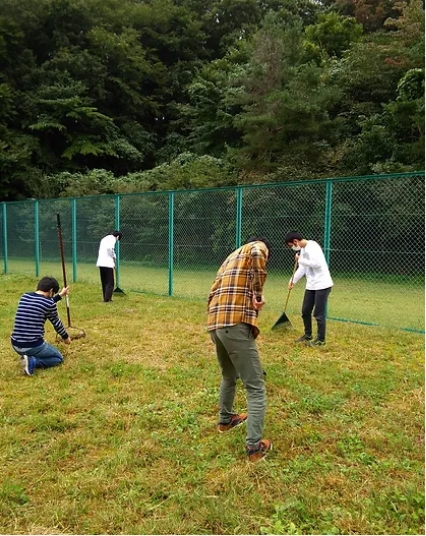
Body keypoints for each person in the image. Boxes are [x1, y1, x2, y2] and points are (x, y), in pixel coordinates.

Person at [207, 236, 273, 462]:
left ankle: (225, 421)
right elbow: (257, 252)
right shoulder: (256, 248)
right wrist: (257, 294)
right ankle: (254, 449)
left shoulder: (230, 258)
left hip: (216, 323)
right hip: (234, 324)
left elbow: (212, 290)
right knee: (255, 387)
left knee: (228, 375)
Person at [11, 276, 71, 376]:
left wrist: (60, 295)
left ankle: (26, 357)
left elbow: (44, 303)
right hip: (31, 345)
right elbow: (57, 324)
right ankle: (33, 361)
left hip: (16, 344)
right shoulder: (49, 303)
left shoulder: (25, 296)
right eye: (53, 294)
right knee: (58, 358)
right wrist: (66, 338)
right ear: (51, 291)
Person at [284, 231, 333, 346]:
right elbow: (302, 269)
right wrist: (292, 281)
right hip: (311, 285)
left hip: (322, 285)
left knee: (318, 314)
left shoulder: (313, 247)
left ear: (295, 241)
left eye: (292, 245)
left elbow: (317, 264)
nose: (293, 248)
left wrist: (300, 259)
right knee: (305, 311)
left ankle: (321, 340)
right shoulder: (303, 250)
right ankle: (308, 335)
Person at [96, 230, 122, 302]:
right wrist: (114, 257)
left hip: (101, 263)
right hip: (107, 263)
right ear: (117, 236)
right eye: (118, 239)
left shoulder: (105, 238)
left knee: (104, 281)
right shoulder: (112, 239)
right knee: (110, 281)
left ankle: (105, 297)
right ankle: (108, 299)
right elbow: (110, 249)